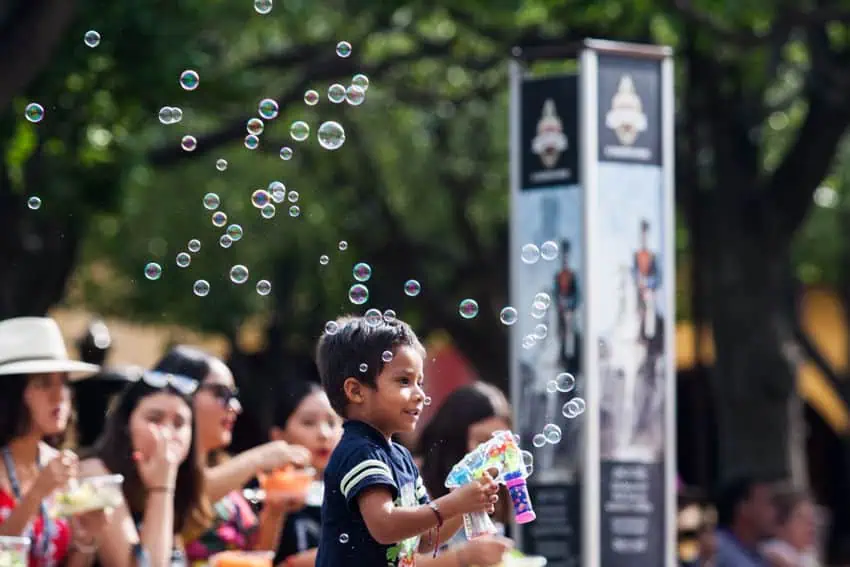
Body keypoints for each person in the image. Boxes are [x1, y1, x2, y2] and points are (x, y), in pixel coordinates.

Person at [315, 315, 512, 567]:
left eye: (420, 382)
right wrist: (453, 502)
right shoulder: (360, 451)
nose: (419, 394)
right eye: (404, 381)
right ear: (356, 391)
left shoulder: (400, 457)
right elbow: (385, 525)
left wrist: (464, 506)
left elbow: (426, 539)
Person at [152, 346, 310, 563]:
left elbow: (255, 556)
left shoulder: (225, 468)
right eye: (222, 394)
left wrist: (275, 511)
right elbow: (185, 502)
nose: (235, 407)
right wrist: (259, 458)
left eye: (234, 396)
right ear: (180, 392)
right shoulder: (157, 470)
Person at [0, 316, 109, 567]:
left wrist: (87, 538)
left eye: (64, 382)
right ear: (10, 393)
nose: (60, 395)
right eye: (44, 383)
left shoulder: (60, 466)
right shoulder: (52, 474)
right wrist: (37, 493)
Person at [81, 369, 210, 567]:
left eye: (179, 423)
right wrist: (161, 488)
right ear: (126, 425)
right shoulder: (95, 474)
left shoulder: (179, 482)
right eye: (154, 419)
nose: (167, 433)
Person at [417, 382, 514, 548]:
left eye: (498, 444)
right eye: (482, 442)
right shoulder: (413, 478)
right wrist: (463, 558)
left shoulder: (494, 487)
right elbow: (409, 556)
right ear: (454, 439)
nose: (491, 454)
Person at [269, 380, 342, 567]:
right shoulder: (262, 494)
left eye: (332, 423)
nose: (324, 434)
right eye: (308, 423)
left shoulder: (353, 493)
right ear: (278, 436)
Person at [714, 477, 777, 567]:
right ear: (744, 509)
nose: (774, 512)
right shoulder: (715, 548)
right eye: (767, 503)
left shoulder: (761, 556)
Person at [762, 489, 819, 567]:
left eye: (811, 518)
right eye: (801, 518)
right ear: (780, 526)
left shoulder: (806, 555)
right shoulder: (772, 553)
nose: (810, 525)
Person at [554, 239, 580, 374]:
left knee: (571, 331)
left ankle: (572, 356)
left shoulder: (572, 276)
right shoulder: (558, 276)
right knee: (562, 333)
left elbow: (576, 294)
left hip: (570, 309)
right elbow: (555, 293)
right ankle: (562, 355)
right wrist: (560, 303)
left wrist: (570, 305)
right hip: (561, 309)